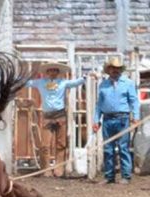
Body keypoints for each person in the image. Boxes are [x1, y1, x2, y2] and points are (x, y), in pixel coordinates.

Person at [26, 62, 86, 177]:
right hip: (47, 116)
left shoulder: (63, 83)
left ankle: (59, 169)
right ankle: (46, 169)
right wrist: (16, 80)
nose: (52, 72)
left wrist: (85, 77)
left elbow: (76, 82)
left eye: (55, 70)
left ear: (58, 72)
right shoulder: (40, 82)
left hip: (60, 115)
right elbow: (27, 83)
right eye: (50, 70)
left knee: (61, 143)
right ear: (47, 72)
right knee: (45, 144)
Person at [92, 57, 140, 185]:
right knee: (108, 149)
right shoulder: (103, 85)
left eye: (117, 68)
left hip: (122, 118)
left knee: (123, 148)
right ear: (109, 70)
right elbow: (99, 105)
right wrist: (96, 120)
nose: (115, 71)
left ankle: (126, 176)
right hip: (107, 119)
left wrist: (136, 117)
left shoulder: (128, 83)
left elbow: (134, 101)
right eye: (113, 68)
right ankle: (109, 176)